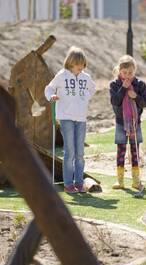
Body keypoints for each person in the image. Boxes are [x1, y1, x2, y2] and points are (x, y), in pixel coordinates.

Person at [44, 46, 95, 193]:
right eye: (78, 66)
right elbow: (49, 88)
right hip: (66, 117)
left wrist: (85, 98)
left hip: (81, 119)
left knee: (80, 153)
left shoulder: (86, 77)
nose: (81, 68)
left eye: (82, 66)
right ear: (71, 63)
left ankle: (79, 182)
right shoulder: (61, 75)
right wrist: (51, 97)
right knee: (70, 152)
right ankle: (68, 184)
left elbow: (92, 88)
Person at [109, 55, 146, 190]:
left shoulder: (140, 84)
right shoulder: (114, 84)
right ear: (120, 71)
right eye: (124, 73)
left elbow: (145, 103)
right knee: (120, 151)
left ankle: (136, 181)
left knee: (135, 151)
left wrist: (136, 96)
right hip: (121, 123)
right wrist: (123, 89)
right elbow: (114, 101)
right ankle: (120, 181)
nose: (127, 76)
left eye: (130, 73)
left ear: (134, 70)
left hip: (135, 123)